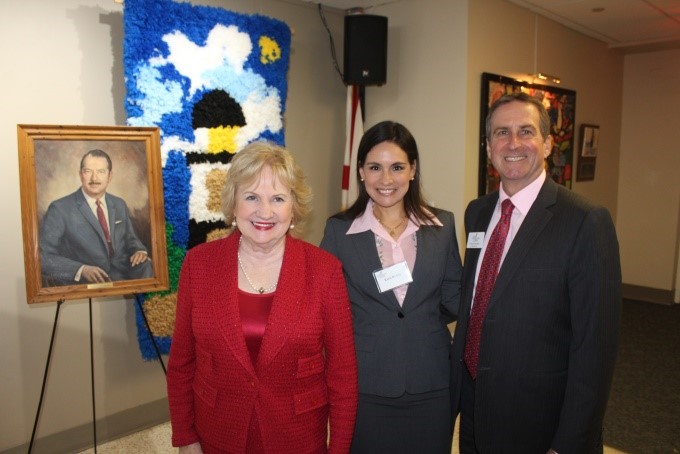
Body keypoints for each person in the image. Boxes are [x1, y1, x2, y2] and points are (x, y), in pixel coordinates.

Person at [450, 92, 621, 453]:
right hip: (474, 411)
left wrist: (570, 443)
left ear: (546, 144)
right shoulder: (476, 213)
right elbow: (477, 300)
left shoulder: (584, 221)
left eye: (526, 131)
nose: (513, 143)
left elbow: (595, 350)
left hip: (541, 424)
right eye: (501, 133)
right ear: (488, 146)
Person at [167, 141, 358, 453]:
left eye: (278, 198)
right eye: (252, 197)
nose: (264, 212)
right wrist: (185, 437)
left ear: (293, 207)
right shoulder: (198, 265)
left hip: (297, 439)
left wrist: (337, 449)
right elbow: (181, 363)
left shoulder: (325, 271)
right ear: (234, 203)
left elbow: (343, 375)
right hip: (217, 433)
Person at [320, 121, 462, 453]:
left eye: (397, 167)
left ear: (413, 170)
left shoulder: (442, 227)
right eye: (375, 167)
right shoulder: (339, 232)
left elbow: (453, 296)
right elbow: (326, 307)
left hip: (431, 379)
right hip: (366, 382)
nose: (386, 180)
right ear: (361, 172)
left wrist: (419, 323)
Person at [39, 148, 152, 285]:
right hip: (84, 283)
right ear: (81, 175)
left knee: (147, 267)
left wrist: (139, 251)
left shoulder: (119, 204)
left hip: (123, 276)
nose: (94, 178)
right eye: (88, 172)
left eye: (101, 172)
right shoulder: (59, 209)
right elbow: (44, 258)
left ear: (109, 176)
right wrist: (81, 270)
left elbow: (131, 240)